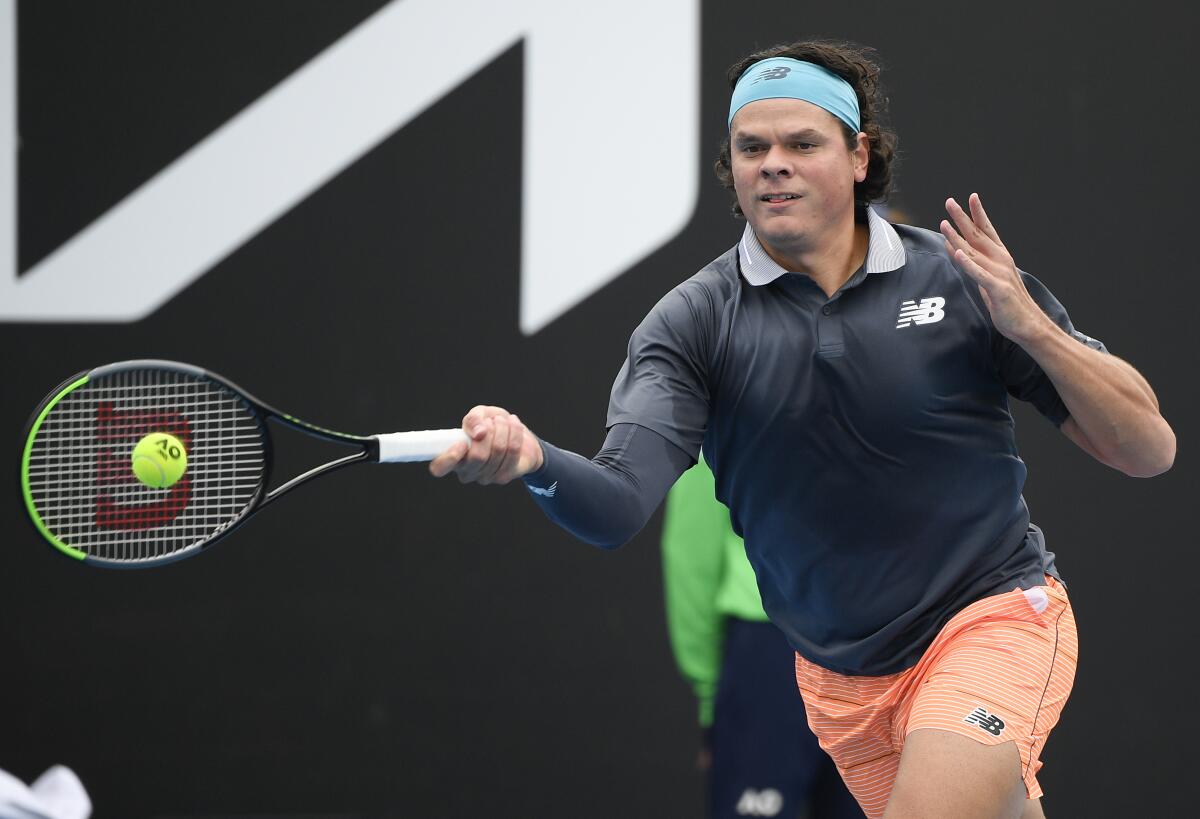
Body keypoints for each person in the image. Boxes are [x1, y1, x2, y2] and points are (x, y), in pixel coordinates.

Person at [429, 39, 1176, 819]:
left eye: (801, 143)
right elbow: (616, 504)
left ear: (858, 156)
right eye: (752, 147)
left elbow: (1148, 448)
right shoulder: (691, 325)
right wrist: (534, 459)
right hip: (842, 679)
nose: (772, 163)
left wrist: (1035, 329)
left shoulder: (960, 280)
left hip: (991, 616)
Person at [662, 457, 862, 818]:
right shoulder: (725, 406)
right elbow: (692, 556)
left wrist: (710, 694)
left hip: (866, 657)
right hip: (782, 655)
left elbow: (691, 559)